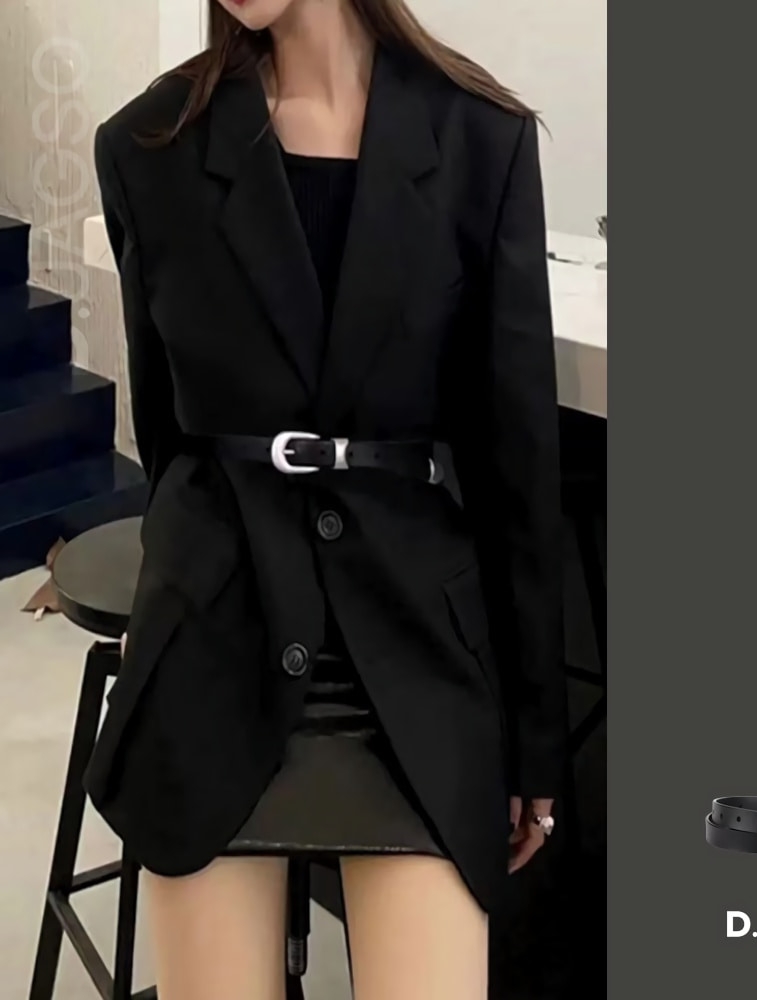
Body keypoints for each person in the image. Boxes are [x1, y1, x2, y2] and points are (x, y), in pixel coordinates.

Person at [85, 0, 567, 997]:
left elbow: (514, 470)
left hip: (417, 661)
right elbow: (173, 446)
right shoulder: (147, 147)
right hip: (216, 647)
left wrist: (535, 740)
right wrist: (164, 612)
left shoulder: (481, 139)